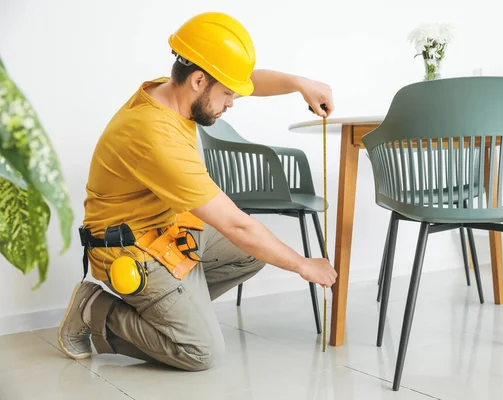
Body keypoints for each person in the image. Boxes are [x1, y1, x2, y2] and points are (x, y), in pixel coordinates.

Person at [57, 11, 337, 371]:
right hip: (129, 247)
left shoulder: (172, 90)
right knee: (201, 353)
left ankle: (177, 309)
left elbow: (244, 78)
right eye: (226, 94)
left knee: (254, 253)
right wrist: (302, 265)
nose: (231, 103)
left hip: (167, 229)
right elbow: (238, 226)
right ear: (199, 80)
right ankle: (94, 309)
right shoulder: (156, 137)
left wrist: (300, 83)